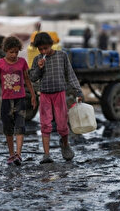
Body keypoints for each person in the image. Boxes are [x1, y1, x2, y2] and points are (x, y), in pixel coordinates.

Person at [0, 35, 37, 165]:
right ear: (5, 50)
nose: (13, 55)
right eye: (11, 52)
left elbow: (27, 80)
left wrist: (33, 95)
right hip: (6, 100)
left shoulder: (22, 62)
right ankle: (11, 154)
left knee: (20, 126)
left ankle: (18, 154)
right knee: (7, 128)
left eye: (16, 52)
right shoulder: (0, 64)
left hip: (20, 99)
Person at [29, 32, 83, 164]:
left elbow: (70, 74)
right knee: (45, 124)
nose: (43, 51)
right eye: (40, 49)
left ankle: (65, 145)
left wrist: (78, 91)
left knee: (62, 124)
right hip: (45, 95)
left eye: (45, 48)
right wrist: (40, 68)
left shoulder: (62, 56)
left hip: (59, 94)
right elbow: (33, 77)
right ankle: (46, 154)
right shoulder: (37, 59)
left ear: (51, 45)